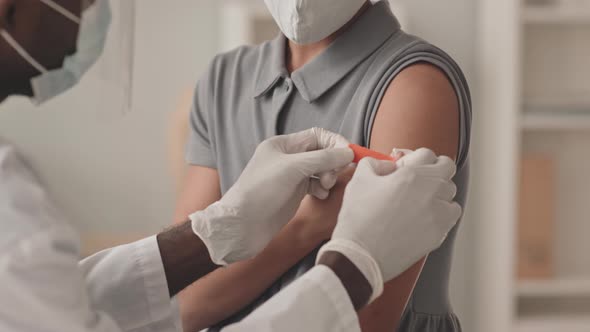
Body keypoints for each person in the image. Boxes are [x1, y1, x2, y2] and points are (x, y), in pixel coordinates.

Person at [0, 0, 462, 331]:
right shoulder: (224, 78)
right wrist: (350, 262)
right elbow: (185, 309)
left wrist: (219, 228)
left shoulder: (413, 81)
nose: (88, 10)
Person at [177, 0, 472, 331]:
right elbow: (182, 303)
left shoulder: (414, 82)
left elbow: (366, 321)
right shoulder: (223, 80)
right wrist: (306, 226)